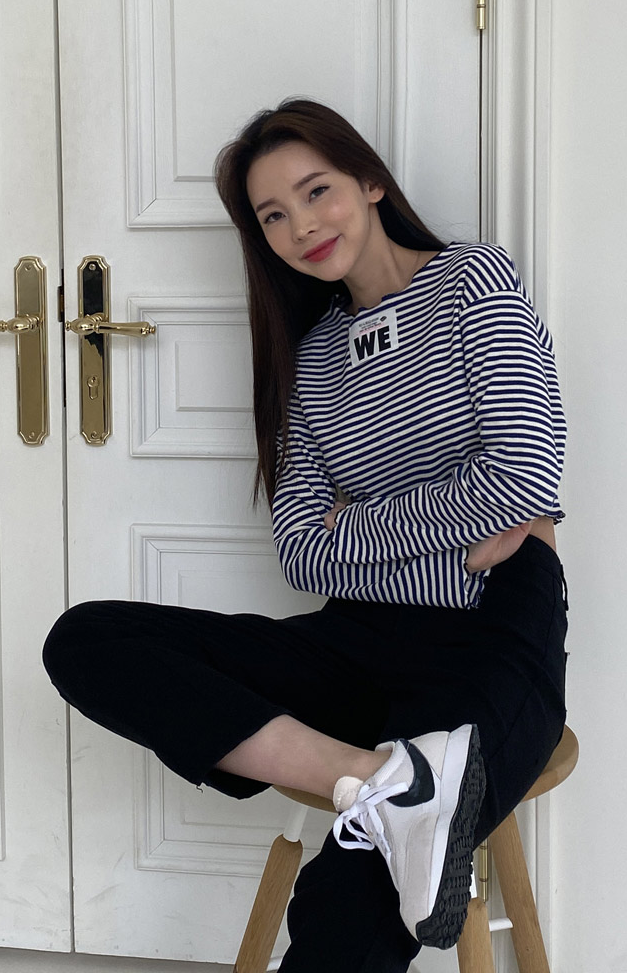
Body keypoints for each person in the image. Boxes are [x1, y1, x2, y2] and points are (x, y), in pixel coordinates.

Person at [43, 98, 568, 972]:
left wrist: (355, 523)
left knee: (348, 909)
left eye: (316, 191)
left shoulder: (472, 281)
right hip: (355, 641)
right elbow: (301, 551)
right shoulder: (315, 356)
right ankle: (378, 782)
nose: (302, 227)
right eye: (274, 216)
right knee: (87, 641)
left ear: (369, 183)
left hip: (490, 633)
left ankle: (403, 793)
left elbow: (522, 478)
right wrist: (463, 520)